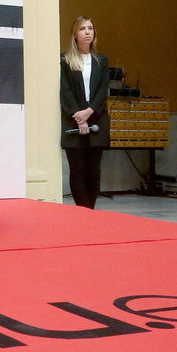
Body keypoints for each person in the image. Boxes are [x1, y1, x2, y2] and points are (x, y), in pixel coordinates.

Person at [60, 16, 111, 208]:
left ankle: (90, 211)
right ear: (75, 34)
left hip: (97, 118)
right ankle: (82, 212)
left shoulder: (101, 60)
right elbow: (66, 91)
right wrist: (80, 118)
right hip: (73, 119)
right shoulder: (65, 60)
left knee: (93, 171)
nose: (87, 32)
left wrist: (89, 112)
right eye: (82, 29)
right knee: (77, 171)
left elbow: (103, 89)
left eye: (90, 28)